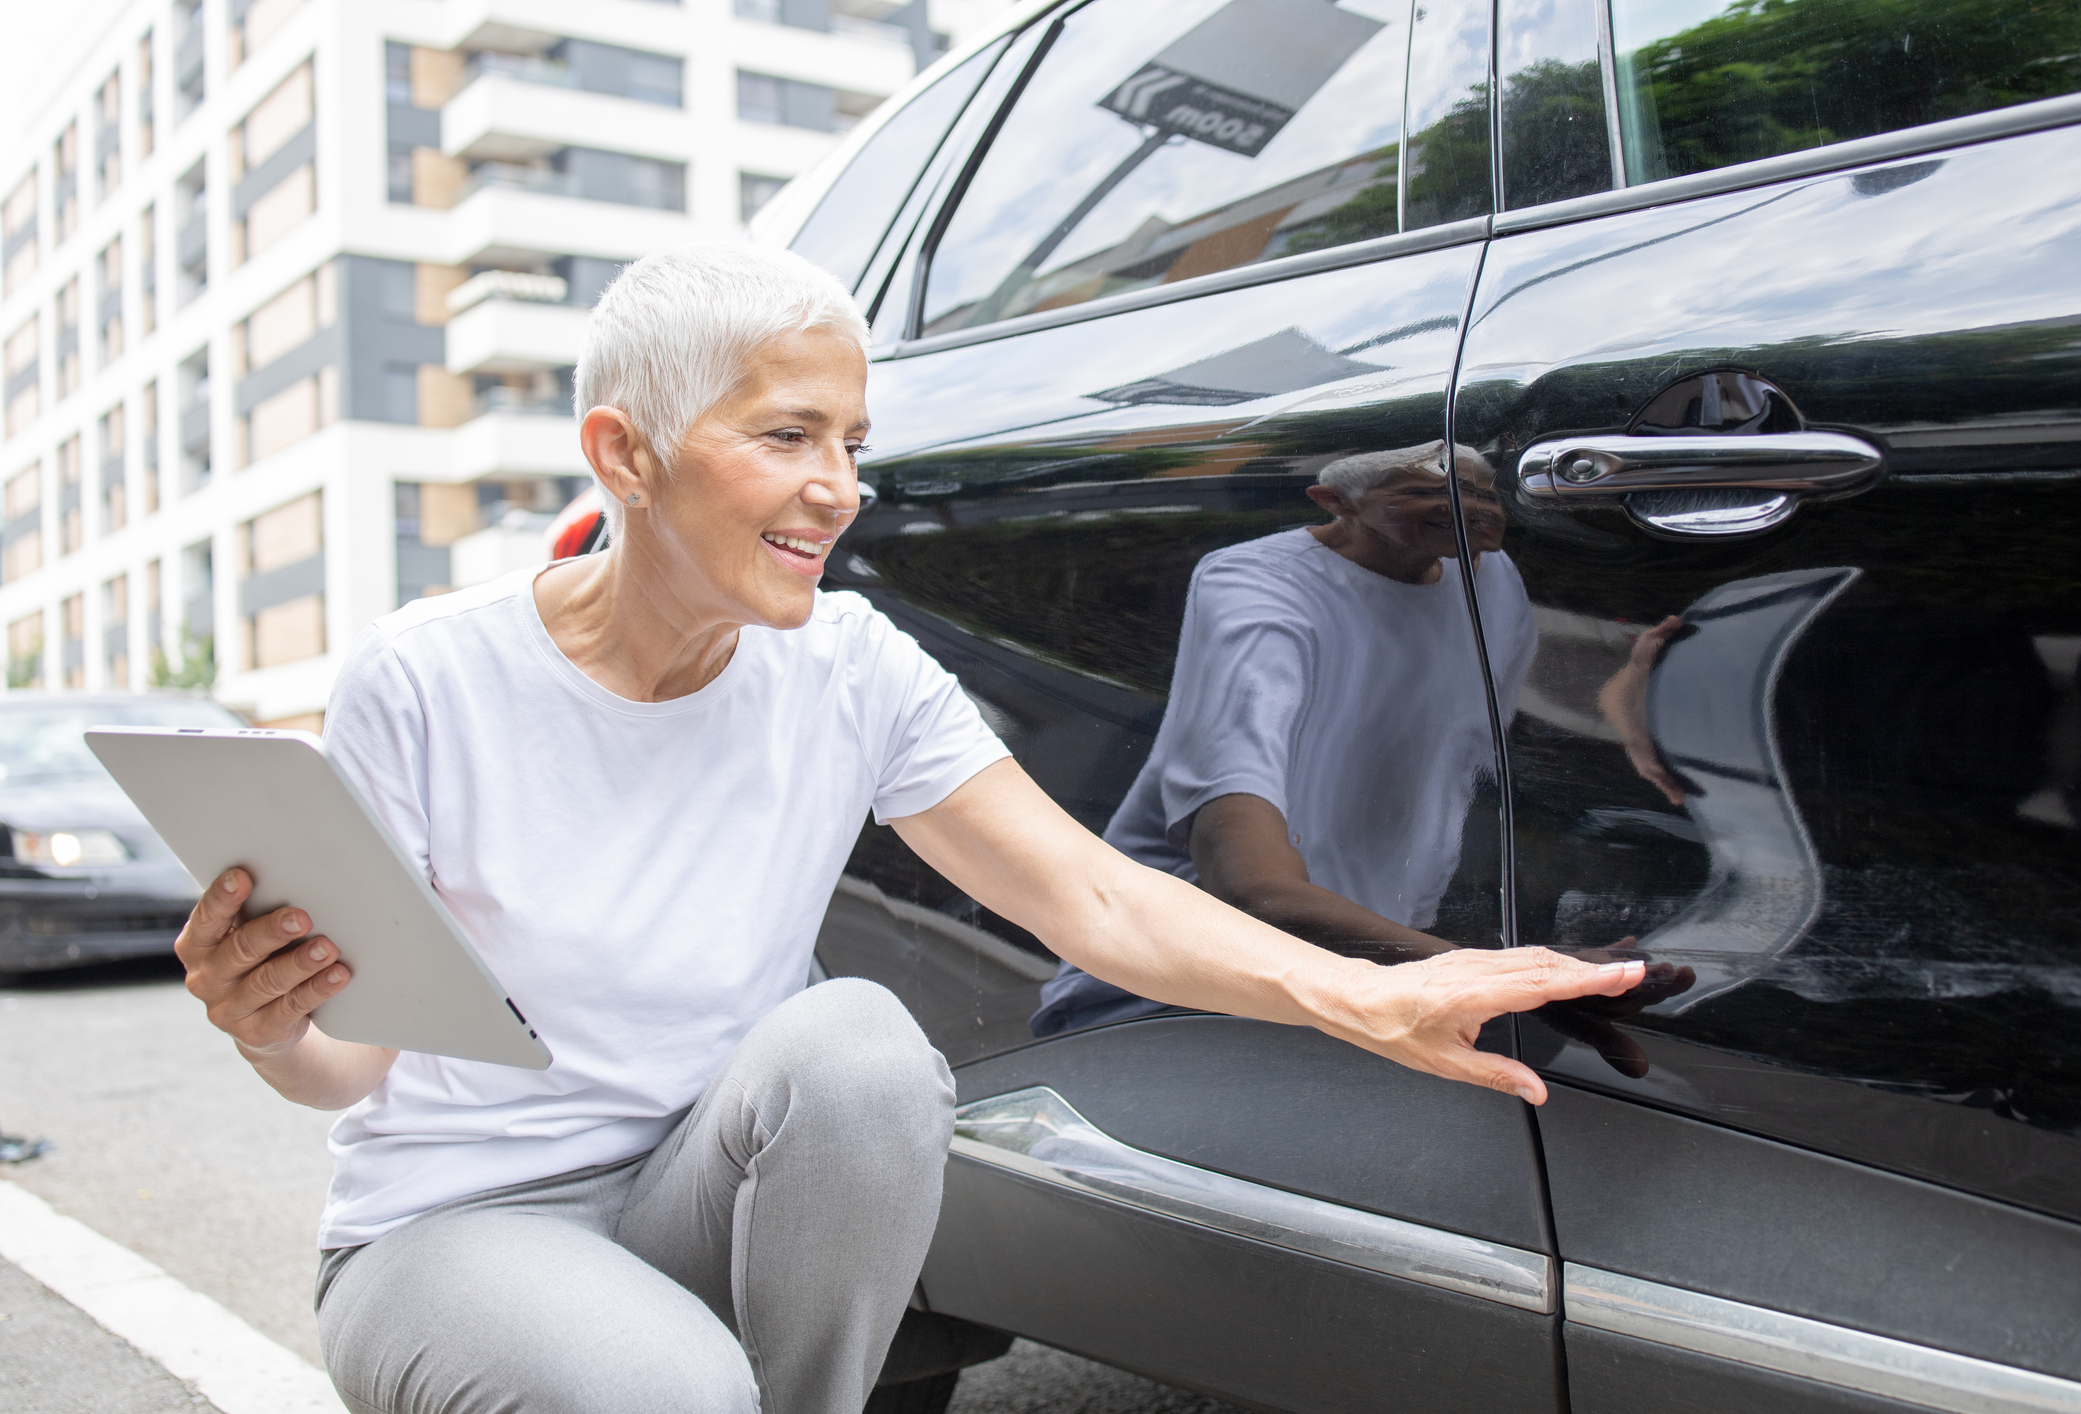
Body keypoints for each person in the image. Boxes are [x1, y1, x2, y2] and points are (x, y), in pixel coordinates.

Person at [172, 246, 1647, 1414]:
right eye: (788, 433)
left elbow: (1094, 896)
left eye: (854, 439)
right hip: (458, 1227)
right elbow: (343, 1066)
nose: (840, 487)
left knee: (863, 1047)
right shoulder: (426, 673)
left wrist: (1367, 998)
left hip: (704, 1187)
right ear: (624, 455)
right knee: (670, 1388)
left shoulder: (850, 663)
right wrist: (266, 1025)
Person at [1036, 442, 1534, 1033]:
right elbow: (1249, 888)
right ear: (1334, 503)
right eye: (1424, 490)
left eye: (1480, 492)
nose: (1465, 506)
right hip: (1185, 998)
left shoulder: (1490, 581)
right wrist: (1488, 976)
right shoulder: (1259, 590)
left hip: (1371, 984)